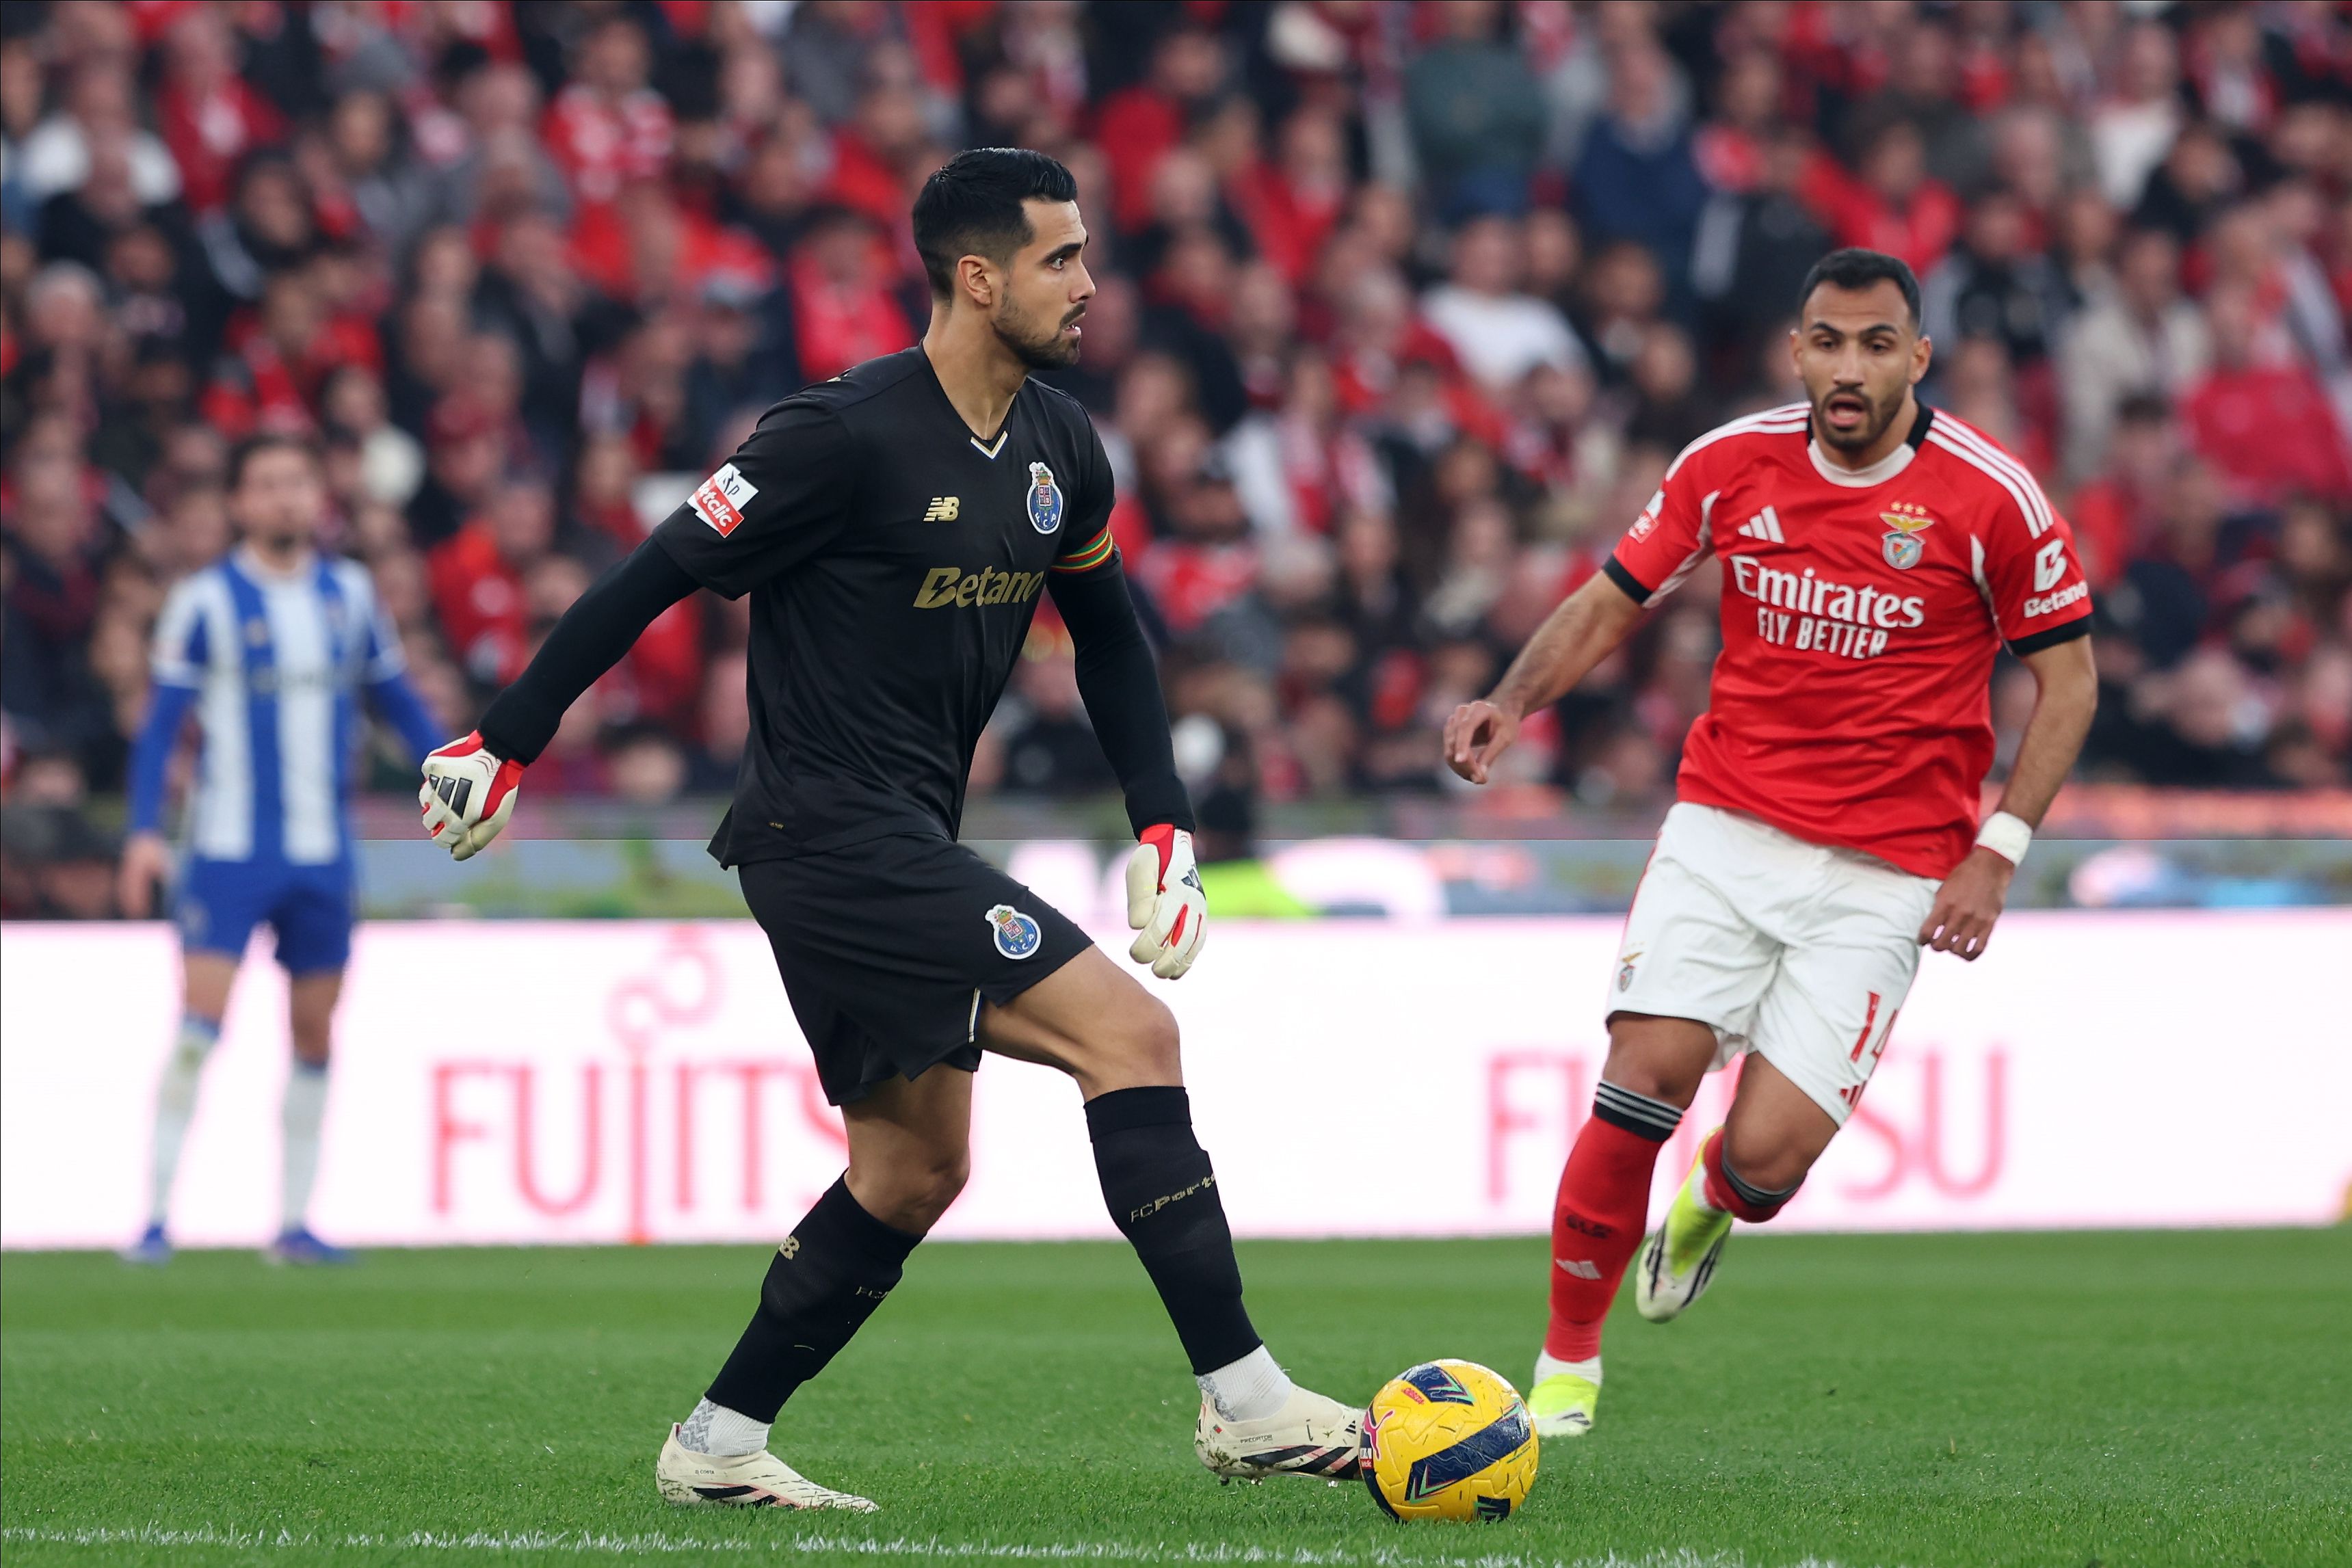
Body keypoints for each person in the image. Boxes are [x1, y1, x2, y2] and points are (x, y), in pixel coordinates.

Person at [414, 148, 1362, 1511]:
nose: (1089, 284)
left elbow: (1110, 638)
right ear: (978, 278)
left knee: (913, 1168)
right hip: (823, 832)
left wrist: (1164, 822)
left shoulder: (1059, 447)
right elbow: (657, 568)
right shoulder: (839, 433)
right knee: (1130, 1035)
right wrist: (505, 735)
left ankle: (718, 1441)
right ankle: (1250, 1402)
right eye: (1059, 258)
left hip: (898, 830)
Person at [1443, 249, 2098, 1439]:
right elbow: (1609, 598)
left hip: (1888, 870)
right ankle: (1564, 1364)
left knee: (1765, 1162)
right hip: (1725, 829)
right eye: (1825, 342)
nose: (1847, 369)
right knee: (1641, 1073)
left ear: (1916, 356)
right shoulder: (1725, 462)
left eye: (1874, 344)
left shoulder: (1989, 497)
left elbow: (2069, 680)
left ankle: (1708, 1204)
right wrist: (1509, 699)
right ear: (1795, 350)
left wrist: (1995, 850)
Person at [118, 434, 444, 1266]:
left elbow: (398, 702)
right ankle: (153, 1219)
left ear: (317, 494)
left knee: (314, 1033)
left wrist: (457, 777)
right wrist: (144, 831)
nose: (285, 497)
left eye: (297, 481)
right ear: (239, 502)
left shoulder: (351, 594)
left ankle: (294, 1225)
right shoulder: (204, 600)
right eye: (266, 484)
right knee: (200, 1027)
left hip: (324, 853)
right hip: (229, 851)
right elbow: (159, 730)